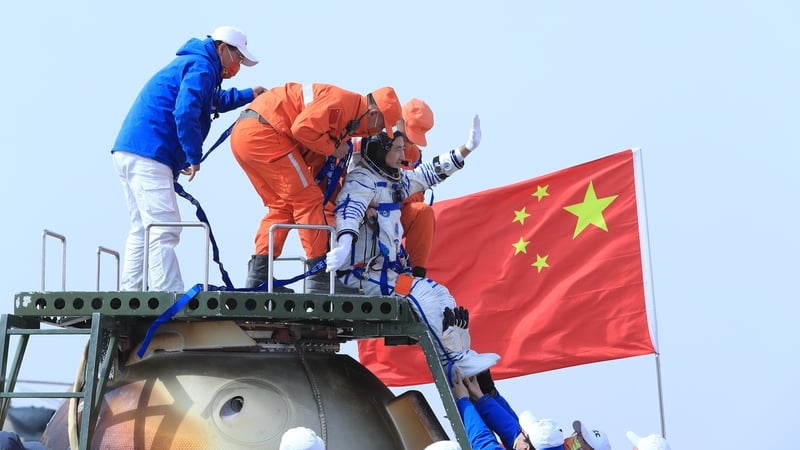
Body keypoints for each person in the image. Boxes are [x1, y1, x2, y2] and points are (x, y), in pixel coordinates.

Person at [325, 119, 499, 377]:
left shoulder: (394, 180)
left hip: (387, 274)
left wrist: (465, 150)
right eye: (397, 149)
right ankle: (453, 361)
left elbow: (427, 174)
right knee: (424, 297)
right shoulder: (362, 180)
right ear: (380, 150)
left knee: (442, 295)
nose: (403, 155)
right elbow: (349, 211)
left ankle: (462, 354)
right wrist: (344, 242)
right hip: (361, 276)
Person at [112, 26, 264, 292]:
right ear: (223, 49)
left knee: (142, 227)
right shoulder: (203, 67)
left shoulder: (197, 64)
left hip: (132, 150)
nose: (238, 65)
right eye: (238, 58)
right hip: (151, 151)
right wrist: (193, 155)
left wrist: (248, 95)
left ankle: (131, 292)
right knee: (165, 226)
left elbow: (211, 100)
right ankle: (167, 293)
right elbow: (185, 111)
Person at [229, 82, 402, 291]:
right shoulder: (343, 103)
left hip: (248, 135)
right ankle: (318, 275)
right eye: (382, 125)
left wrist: (350, 204)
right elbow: (302, 129)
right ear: (374, 113)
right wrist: (333, 148)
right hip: (265, 133)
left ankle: (259, 275)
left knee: (283, 206)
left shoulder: (348, 118)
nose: (378, 131)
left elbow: (321, 175)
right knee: (307, 198)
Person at [399, 98, 436, 278]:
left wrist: (403, 196)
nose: (409, 140)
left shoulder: (415, 155)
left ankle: (417, 275)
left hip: (397, 214)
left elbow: (417, 194)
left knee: (424, 212)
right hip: (365, 214)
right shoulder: (372, 142)